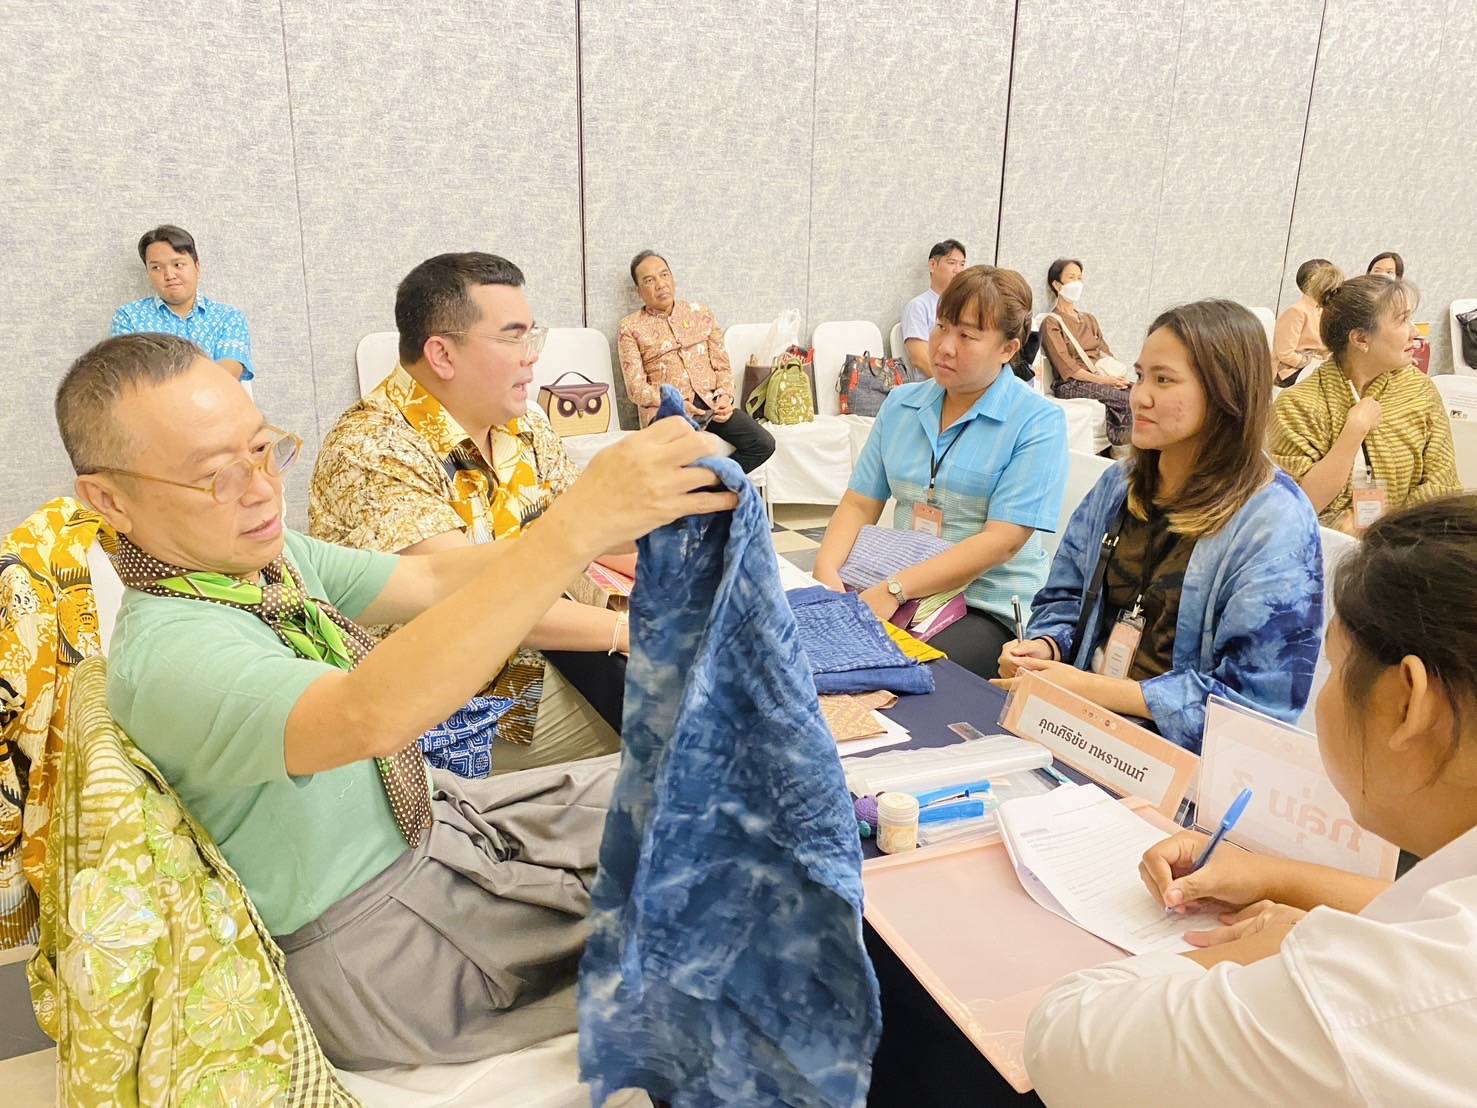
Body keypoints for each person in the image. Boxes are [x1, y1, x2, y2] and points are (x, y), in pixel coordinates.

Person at [54, 332, 735, 1069]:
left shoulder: (258, 563)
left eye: (262, 450)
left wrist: (604, 524)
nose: (259, 488)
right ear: (108, 499)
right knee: (711, 922)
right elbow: (370, 715)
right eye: (215, 474)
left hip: (437, 835)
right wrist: (579, 528)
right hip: (383, 946)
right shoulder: (173, 654)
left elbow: (436, 582)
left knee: (696, 788)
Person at [1026, 494, 1477, 1106]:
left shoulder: (1371, 1001)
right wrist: (1279, 877)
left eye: (1336, 669)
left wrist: (1276, 955)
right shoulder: (1116, 489)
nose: (1144, 402)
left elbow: (1066, 1041)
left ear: (1408, 704)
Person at [310, 252, 632, 773]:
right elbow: (484, 602)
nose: (531, 356)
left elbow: (597, 529)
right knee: (700, 705)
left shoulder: (519, 424)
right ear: (441, 354)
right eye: (512, 337)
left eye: (532, 335)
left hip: (553, 649)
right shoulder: (371, 449)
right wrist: (626, 633)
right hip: (466, 706)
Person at [998, 299, 1323, 752]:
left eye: (1164, 380)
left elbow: (1257, 708)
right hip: (1075, 725)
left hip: (1178, 763)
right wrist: (1048, 647)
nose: (1139, 395)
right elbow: (1064, 596)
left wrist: (1093, 690)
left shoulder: (1273, 522)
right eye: (1141, 375)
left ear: (1225, 392)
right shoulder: (1120, 484)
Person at [812, 265, 1069, 680]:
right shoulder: (901, 404)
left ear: (1008, 349)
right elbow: (859, 503)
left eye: (967, 336)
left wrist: (896, 589)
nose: (945, 347)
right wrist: (826, 574)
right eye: (941, 327)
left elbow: (1000, 543)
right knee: (803, 647)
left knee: (896, 673)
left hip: (983, 604)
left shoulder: (1037, 422)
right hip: (889, 588)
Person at [1270, 274, 1458, 533]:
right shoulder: (1297, 406)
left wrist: (1386, 528)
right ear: (1360, 339)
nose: (1414, 332)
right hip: (1324, 551)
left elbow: (1442, 484)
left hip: (1410, 543)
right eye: (1402, 320)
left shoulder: (1420, 391)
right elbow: (1295, 507)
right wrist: (1354, 430)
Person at [617, 251, 775, 473]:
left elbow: (722, 365)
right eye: (649, 280)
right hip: (668, 411)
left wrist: (725, 397)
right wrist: (676, 403)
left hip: (711, 405)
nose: (660, 284)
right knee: (681, 457)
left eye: (664, 275)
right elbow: (636, 389)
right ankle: (693, 495)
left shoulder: (700, 313)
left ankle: (710, 488)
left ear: (673, 279)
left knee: (763, 444)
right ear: (639, 292)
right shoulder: (630, 328)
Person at [110, 225, 255, 383]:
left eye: (178, 265)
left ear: (197, 267)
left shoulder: (228, 317)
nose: (169, 275)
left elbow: (226, 374)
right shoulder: (128, 317)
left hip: (214, 404)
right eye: (156, 267)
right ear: (148, 273)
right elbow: (129, 377)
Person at [1038, 257, 1132, 447]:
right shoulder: (1052, 322)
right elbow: (1068, 367)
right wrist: (1105, 381)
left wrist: (1116, 377)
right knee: (1127, 398)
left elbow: (1105, 353)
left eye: (1080, 278)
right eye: (1071, 278)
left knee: (1139, 392)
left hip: (1100, 376)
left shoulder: (1089, 319)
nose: (1077, 283)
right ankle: (1119, 450)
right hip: (1070, 384)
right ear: (1057, 284)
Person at [899, 239, 967, 378]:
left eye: (962, 264)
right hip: (934, 386)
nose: (958, 270)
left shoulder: (966, 306)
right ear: (932, 265)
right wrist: (952, 387)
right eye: (952, 263)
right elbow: (919, 359)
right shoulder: (918, 306)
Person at [1273, 258, 1342, 385]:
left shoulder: (1326, 311)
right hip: (1291, 371)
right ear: (1311, 282)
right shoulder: (1296, 312)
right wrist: (1312, 362)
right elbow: (1285, 353)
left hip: (1316, 368)